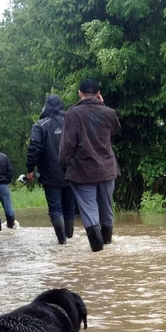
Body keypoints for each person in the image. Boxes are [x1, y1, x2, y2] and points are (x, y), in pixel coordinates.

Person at [59, 78, 121, 252]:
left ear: (80, 93)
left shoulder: (73, 113)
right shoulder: (109, 112)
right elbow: (115, 129)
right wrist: (104, 105)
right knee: (106, 209)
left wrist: (64, 166)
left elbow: (67, 145)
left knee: (89, 211)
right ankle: (108, 248)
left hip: (83, 171)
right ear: (98, 93)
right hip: (107, 169)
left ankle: (98, 252)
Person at [26, 94, 77, 244]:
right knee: (69, 207)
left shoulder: (40, 125)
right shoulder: (71, 122)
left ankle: (62, 242)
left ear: (46, 106)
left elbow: (34, 148)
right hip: (72, 172)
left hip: (50, 173)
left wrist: (30, 169)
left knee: (55, 208)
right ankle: (69, 237)